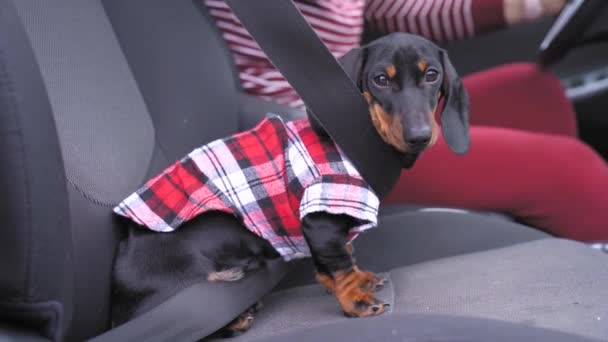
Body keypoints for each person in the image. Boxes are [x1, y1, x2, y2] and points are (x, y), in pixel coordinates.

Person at [204, 0, 608, 241]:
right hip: (305, 146)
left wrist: (532, 4)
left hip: (352, 109)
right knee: (570, 173)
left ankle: (553, 248)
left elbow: (395, 8)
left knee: (533, 95)